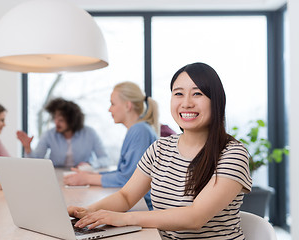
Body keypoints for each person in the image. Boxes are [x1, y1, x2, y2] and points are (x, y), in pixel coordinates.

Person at [67, 63, 252, 239]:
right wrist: (88, 212)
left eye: (197, 94)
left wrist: (123, 219)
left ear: (216, 101)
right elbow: (126, 196)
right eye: (178, 94)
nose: (186, 103)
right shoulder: (160, 148)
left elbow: (195, 217)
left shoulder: (233, 154)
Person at [64, 81, 159, 209]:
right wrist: (91, 176)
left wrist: (86, 179)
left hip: (144, 207)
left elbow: (129, 179)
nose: (109, 109)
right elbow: (124, 172)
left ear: (127, 106)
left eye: (113, 104)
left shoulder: (139, 131)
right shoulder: (138, 129)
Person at [16, 97, 109, 168]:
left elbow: (105, 159)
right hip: (56, 177)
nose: (56, 122)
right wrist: (28, 148)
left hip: (82, 176)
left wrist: (90, 164)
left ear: (72, 120)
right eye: (55, 118)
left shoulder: (90, 133)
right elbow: (35, 163)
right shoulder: (49, 135)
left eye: (61, 120)